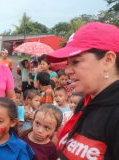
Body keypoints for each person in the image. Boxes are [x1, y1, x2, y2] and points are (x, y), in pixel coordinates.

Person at [46, 22, 119, 159]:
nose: (67, 70)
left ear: (108, 60)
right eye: (68, 63)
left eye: (76, 62)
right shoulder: (86, 103)